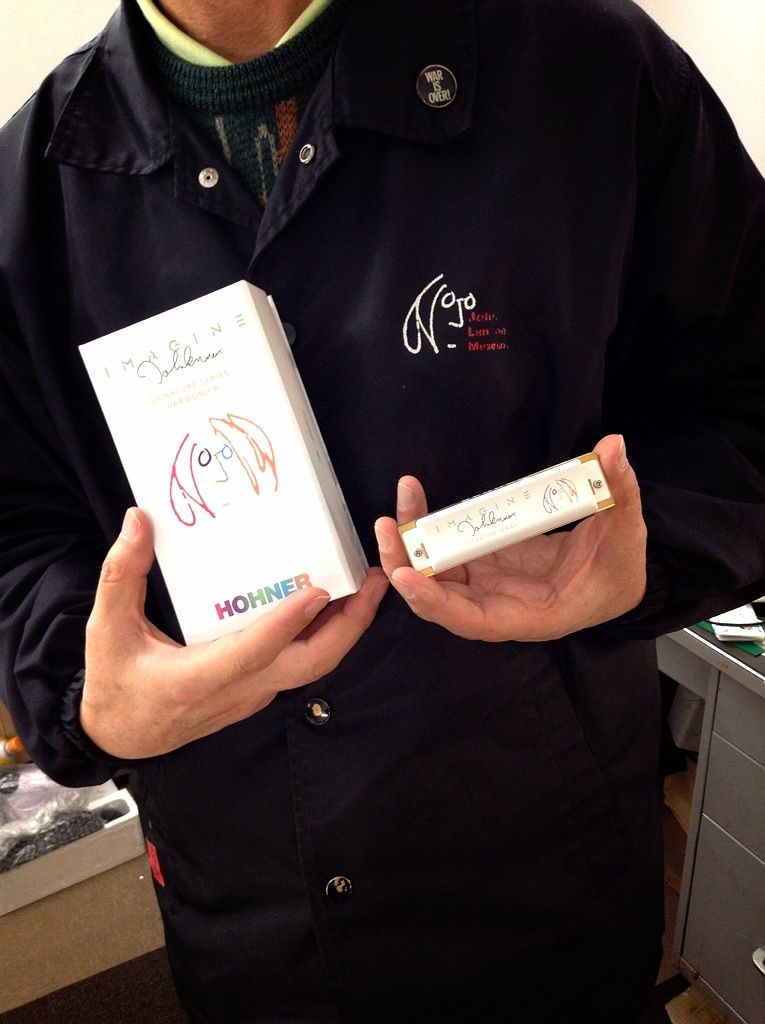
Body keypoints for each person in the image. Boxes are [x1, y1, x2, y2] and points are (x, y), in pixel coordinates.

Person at [1, 0, 764, 1021]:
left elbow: (745, 398)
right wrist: (89, 695)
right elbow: (16, 527)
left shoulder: (592, 70)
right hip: (250, 924)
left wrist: (648, 552)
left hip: (547, 898)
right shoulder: (28, 190)